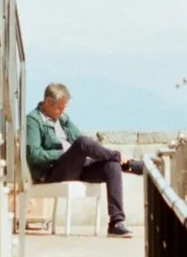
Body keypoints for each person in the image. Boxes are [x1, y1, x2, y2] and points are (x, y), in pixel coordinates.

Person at [24, 83, 147, 237]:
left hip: (76, 166)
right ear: (48, 102)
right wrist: (63, 154)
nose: (62, 111)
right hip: (51, 171)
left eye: (64, 108)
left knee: (112, 166)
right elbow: (34, 155)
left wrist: (76, 150)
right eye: (59, 108)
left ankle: (116, 223)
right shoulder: (33, 121)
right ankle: (128, 164)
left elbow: (81, 142)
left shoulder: (63, 118)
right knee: (84, 143)